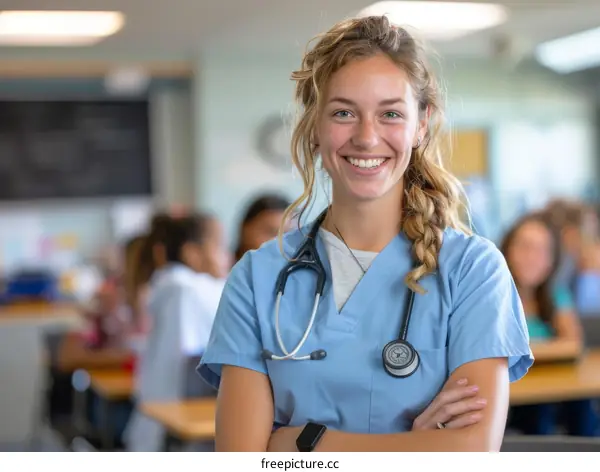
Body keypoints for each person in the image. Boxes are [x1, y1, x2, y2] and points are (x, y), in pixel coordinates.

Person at [198, 15, 533, 452]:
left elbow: (469, 453)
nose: (366, 136)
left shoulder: (472, 271)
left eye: (390, 113)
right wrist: (411, 449)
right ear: (315, 125)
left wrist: (306, 444)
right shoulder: (256, 280)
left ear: (421, 124)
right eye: (343, 113)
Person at [124, 213, 229, 451]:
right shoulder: (190, 290)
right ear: (192, 253)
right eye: (219, 246)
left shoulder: (168, 287)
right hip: (178, 429)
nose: (227, 256)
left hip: (159, 424)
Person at [501, 212, 598, 436]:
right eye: (525, 247)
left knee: (581, 406)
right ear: (507, 250)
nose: (532, 257)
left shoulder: (556, 296)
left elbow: (573, 343)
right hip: (513, 397)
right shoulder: (494, 298)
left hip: (556, 393)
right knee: (540, 413)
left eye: (542, 250)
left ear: (552, 260)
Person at [234, 193, 291, 263]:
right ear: (245, 230)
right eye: (271, 232)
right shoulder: (222, 271)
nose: (280, 244)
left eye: (288, 235)